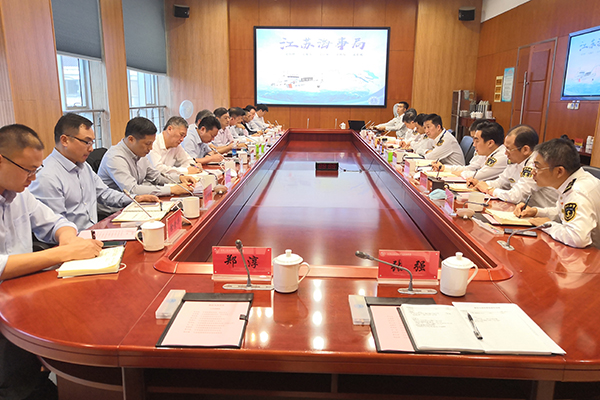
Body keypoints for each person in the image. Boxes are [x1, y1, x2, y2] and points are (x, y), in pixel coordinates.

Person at [0, 123, 102, 400]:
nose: (33, 178)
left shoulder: (20, 193)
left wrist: (68, 240)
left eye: (37, 169)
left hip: (21, 292)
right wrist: (61, 254)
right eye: (28, 170)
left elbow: (57, 222)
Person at [29, 113, 158, 231]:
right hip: (74, 240)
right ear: (65, 140)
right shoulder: (47, 177)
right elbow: (55, 227)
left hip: (95, 231)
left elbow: (104, 193)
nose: (91, 149)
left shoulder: (84, 166)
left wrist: (135, 198)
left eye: (92, 142)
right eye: (87, 142)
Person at [515, 138, 600, 248]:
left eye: (537, 167)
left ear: (559, 171)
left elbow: (578, 238)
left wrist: (547, 225)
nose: (533, 172)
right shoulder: (575, 179)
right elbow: (562, 213)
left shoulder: (578, 192)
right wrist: (536, 211)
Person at [98, 117, 196, 196]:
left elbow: (156, 177)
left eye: (152, 143)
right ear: (131, 139)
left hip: (134, 204)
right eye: (148, 144)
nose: (151, 148)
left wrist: (179, 178)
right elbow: (132, 190)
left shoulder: (140, 154)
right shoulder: (115, 157)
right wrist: (171, 189)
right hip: (113, 211)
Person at [469, 124, 557, 208]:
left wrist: (489, 189)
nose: (505, 153)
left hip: (541, 213)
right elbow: (501, 182)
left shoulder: (535, 165)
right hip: (523, 210)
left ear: (525, 150)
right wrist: (480, 184)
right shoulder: (515, 161)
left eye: (508, 149)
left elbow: (516, 196)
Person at [432, 121, 507, 181]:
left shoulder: (501, 157)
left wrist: (459, 173)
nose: (474, 145)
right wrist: (444, 168)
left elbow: (477, 176)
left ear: (490, 143)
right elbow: (469, 168)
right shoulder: (487, 153)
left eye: (477, 141)